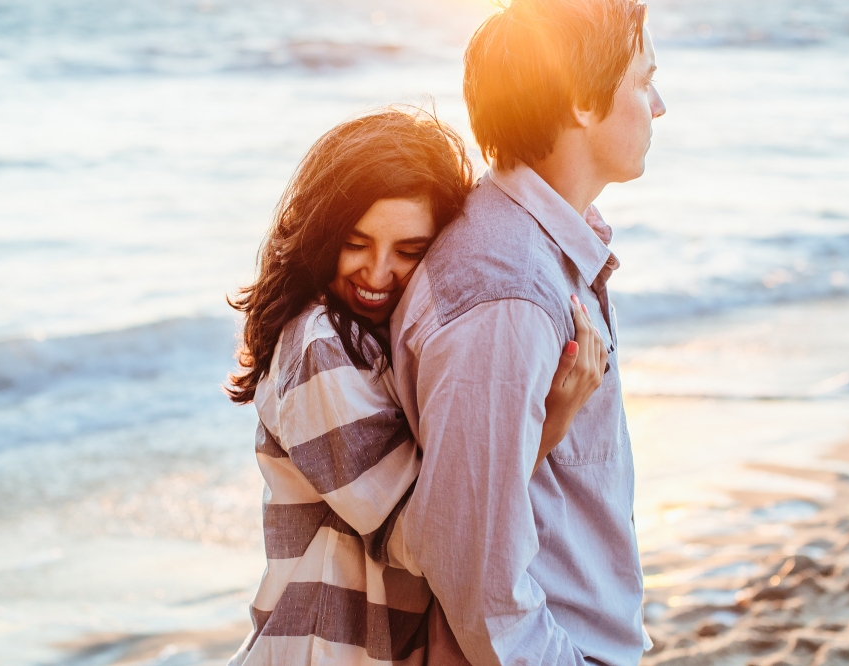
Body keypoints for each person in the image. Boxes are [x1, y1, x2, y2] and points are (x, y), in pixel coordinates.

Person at [224, 109, 608, 665]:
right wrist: (549, 425)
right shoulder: (319, 348)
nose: (378, 274)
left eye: (408, 251)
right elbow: (427, 539)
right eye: (356, 243)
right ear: (319, 230)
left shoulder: (374, 341)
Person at [389, 0, 666, 664]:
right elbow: (471, 566)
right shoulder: (507, 290)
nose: (658, 105)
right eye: (642, 80)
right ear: (580, 100)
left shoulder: (551, 249)